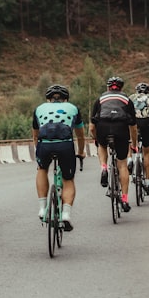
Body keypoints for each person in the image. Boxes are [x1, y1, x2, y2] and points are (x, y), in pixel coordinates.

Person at [33, 84, 86, 230]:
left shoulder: (39, 109)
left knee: (42, 169)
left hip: (45, 145)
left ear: (48, 99)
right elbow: (80, 135)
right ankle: (66, 214)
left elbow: (35, 135)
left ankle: (42, 208)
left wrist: (39, 151)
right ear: (66, 99)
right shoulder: (73, 108)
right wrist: (81, 152)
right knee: (68, 180)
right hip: (65, 145)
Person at [89, 76, 137, 212]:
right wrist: (133, 144)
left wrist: (96, 138)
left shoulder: (100, 99)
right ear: (121, 88)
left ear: (107, 87)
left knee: (102, 145)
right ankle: (125, 199)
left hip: (103, 126)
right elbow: (133, 127)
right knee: (122, 164)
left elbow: (92, 127)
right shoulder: (127, 100)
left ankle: (104, 167)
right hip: (121, 128)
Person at [130, 82, 149, 194]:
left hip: (132, 123)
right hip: (146, 124)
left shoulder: (131, 98)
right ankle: (147, 182)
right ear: (148, 91)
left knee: (131, 144)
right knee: (146, 153)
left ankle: (129, 160)